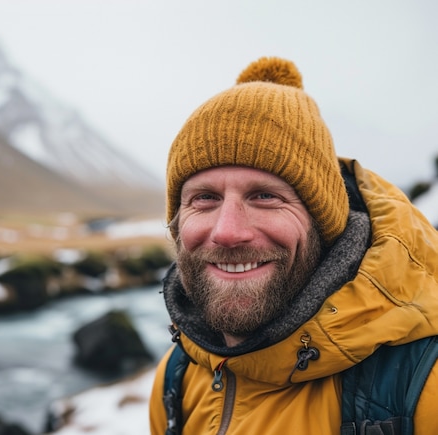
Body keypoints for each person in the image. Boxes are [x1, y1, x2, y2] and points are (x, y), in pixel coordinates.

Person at [148, 56, 438, 435]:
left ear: (324, 222)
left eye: (266, 196)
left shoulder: (424, 385)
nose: (228, 231)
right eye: (204, 198)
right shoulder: (175, 377)